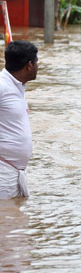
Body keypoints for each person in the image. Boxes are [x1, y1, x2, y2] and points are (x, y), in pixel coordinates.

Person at [0, 41, 38, 199]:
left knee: (14, 213)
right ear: (29, 65)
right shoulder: (2, 86)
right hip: (3, 169)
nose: (37, 67)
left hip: (16, 171)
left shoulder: (18, 86)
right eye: (36, 62)